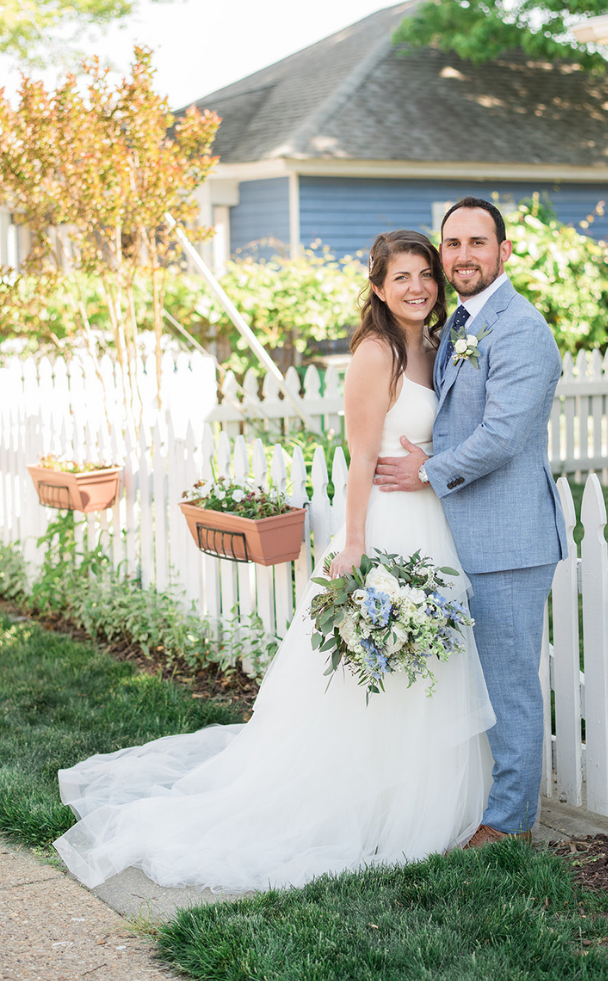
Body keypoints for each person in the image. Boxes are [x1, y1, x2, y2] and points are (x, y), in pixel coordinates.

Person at [54, 230, 496, 892]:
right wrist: (353, 544)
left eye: (424, 275)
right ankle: (361, 801)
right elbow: (361, 459)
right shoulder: (376, 354)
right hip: (387, 524)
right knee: (372, 669)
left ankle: (423, 797)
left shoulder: (436, 348)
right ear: (378, 289)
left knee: (427, 660)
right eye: (400, 277)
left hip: (436, 523)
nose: (417, 287)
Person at [373, 196, 568, 845]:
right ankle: (483, 800)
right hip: (466, 535)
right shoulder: (461, 322)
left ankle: (511, 824)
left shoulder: (519, 328)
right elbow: (459, 418)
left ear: (503, 251)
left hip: (509, 539)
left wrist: (427, 471)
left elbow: (505, 434)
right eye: (451, 244)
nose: (461, 256)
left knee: (509, 685)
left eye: (476, 243)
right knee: (477, 683)